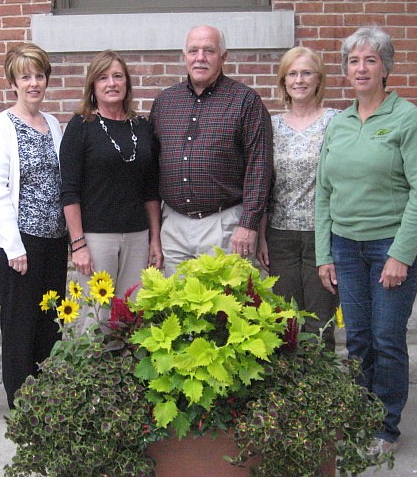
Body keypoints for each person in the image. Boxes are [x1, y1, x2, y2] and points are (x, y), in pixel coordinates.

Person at [315, 27, 417, 457]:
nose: (361, 68)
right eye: (353, 61)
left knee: (386, 337)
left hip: (391, 246)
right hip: (346, 248)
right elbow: (324, 192)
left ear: (386, 67)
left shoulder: (407, 118)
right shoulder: (339, 122)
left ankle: (385, 428)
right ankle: (358, 417)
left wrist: (401, 254)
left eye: (370, 60)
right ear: (345, 71)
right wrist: (324, 253)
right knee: (360, 339)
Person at [0, 43, 67, 410]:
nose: (34, 83)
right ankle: (21, 403)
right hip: (20, 243)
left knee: (50, 320)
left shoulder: (53, 124)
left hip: (54, 239)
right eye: (25, 76)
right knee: (20, 323)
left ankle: (43, 397)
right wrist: (13, 248)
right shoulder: (2, 126)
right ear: (13, 83)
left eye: (39, 75)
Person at [150, 25, 273, 277]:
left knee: (225, 309)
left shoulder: (245, 101)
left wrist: (248, 224)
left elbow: (259, 167)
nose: (200, 57)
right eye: (193, 50)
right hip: (173, 225)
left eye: (209, 50)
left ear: (223, 57)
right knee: (174, 308)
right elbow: (151, 166)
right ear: (184, 56)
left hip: (225, 225)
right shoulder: (165, 102)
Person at [59, 50, 162, 332]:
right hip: (96, 239)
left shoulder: (141, 127)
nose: (111, 83)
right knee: (96, 320)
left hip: (137, 237)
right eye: (103, 78)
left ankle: (127, 376)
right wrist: (78, 243)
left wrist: (155, 239)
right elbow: (69, 191)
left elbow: (151, 190)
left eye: (117, 76)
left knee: (132, 316)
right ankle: (92, 376)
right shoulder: (80, 127)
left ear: (127, 83)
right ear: (93, 86)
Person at [256, 47, 339, 351]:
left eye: (306, 73)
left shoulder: (335, 122)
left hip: (322, 236)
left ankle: (323, 394)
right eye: (292, 73)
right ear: (284, 81)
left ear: (319, 80)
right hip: (280, 236)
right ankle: (289, 394)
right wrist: (262, 236)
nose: (299, 80)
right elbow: (264, 184)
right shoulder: (272, 126)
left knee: (320, 323)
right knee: (284, 321)